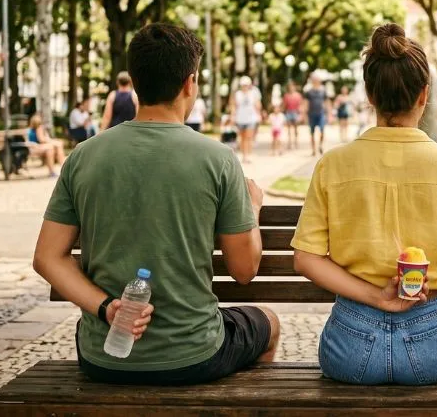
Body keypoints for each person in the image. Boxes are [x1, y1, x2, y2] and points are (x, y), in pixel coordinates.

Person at [33, 22, 279, 385]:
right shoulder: (217, 159)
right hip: (194, 354)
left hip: (102, 356)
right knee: (268, 324)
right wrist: (252, 208)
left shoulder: (83, 157)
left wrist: (107, 308)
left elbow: (46, 257)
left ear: (134, 82)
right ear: (189, 83)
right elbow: (244, 270)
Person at [291, 23, 437, 385]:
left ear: (369, 94)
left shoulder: (333, 164)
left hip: (349, 344)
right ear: (424, 95)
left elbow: (306, 258)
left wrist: (376, 296)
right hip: (435, 344)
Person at [229, 76, 263, 164]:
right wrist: (232, 116)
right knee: (242, 137)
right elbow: (234, 106)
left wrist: (259, 114)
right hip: (240, 119)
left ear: (249, 85)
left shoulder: (253, 93)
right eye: (243, 85)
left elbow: (258, 105)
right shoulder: (238, 94)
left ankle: (248, 155)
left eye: (246, 85)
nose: (245, 86)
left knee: (248, 137)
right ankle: (244, 156)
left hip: (251, 118)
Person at [304, 76, 329, 156]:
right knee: (312, 132)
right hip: (311, 114)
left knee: (322, 131)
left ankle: (320, 145)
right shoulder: (309, 92)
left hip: (321, 113)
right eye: (314, 80)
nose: (316, 82)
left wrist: (328, 113)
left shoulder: (323, 91)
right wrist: (304, 113)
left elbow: (326, 101)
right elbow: (306, 103)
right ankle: (313, 149)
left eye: (317, 80)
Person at [282, 82, 303, 150]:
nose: (291, 88)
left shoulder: (298, 95)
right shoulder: (286, 95)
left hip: (296, 112)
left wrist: (300, 114)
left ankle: (296, 142)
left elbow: (300, 104)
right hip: (289, 112)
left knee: (296, 129)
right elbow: (284, 105)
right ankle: (290, 143)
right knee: (289, 129)